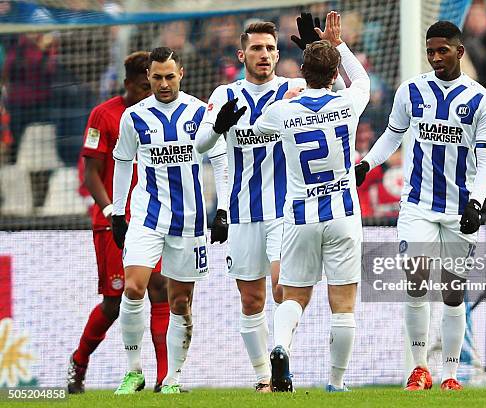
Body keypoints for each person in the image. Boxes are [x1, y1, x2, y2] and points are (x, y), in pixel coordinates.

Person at [195, 17, 342, 391]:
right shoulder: (225, 95)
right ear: (241, 53)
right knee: (251, 299)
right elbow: (199, 145)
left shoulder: (293, 89)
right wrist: (217, 127)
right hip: (243, 212)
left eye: (271, 48)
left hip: (284, 210)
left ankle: (282, 358)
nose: (265, 55)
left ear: (279, 54)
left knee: (280, 289)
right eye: (257, 48)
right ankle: (265, 378)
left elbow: (338, 93)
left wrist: (326, 52)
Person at [355, 21, 486, 391]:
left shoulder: (482, 101)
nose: (435, 57)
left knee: (452, 291)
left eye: (443, 50)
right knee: (417, 279)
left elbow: (485, 163)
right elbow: (392, 135)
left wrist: (476, 203)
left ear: (459, 51)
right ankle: (419, 368)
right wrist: (368, 164)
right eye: (430, 51)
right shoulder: (412, 91)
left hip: (458, 210)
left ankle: (450, 374)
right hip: (417, 203)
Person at [248, 10, 369, 392]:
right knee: (343, 303)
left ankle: (281, 347)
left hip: (299, 216)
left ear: (302, 70)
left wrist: (301, 80)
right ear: (334, 75)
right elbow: (362, 79)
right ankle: (336, 382)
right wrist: (336, 45)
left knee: (294, 296)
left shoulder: (282, 111)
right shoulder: (347, 105)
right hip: (342, 214)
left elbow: (257, 131)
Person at [112, 47, 228, 394]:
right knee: (133, 288)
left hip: (190, 221)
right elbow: (122, 162)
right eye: (157, 77)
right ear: (147, 76)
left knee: (180, 302)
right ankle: (134, 371)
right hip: (147, 217)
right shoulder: (134, 117)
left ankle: (172, 379)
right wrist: (119, 212)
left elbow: (219, 160)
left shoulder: (198, 112)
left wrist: (221, 210)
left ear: (182, 73)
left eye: (169, 76)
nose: (163, 83)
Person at [68, 51, 170, 394]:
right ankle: (79, 362)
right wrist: (112, 210)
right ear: (128, 84)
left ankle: (163, 378)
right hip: (113, 221)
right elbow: (92, 172)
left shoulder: (160, 114)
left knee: (159, 288)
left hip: (152, 217)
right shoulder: (104, 114)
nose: (149, 92)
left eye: (153, 84)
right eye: (144, 86)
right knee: (115, 302)